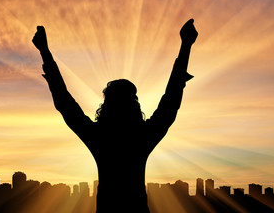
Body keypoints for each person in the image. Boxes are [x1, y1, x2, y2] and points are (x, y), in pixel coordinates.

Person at [32, 19, 198, 213]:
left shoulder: (99, 137)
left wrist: (44, 51)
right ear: (134, 105)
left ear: (106, 105)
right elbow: (170, 103)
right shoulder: (142, 137)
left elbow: (65, 103)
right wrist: (185, 46)